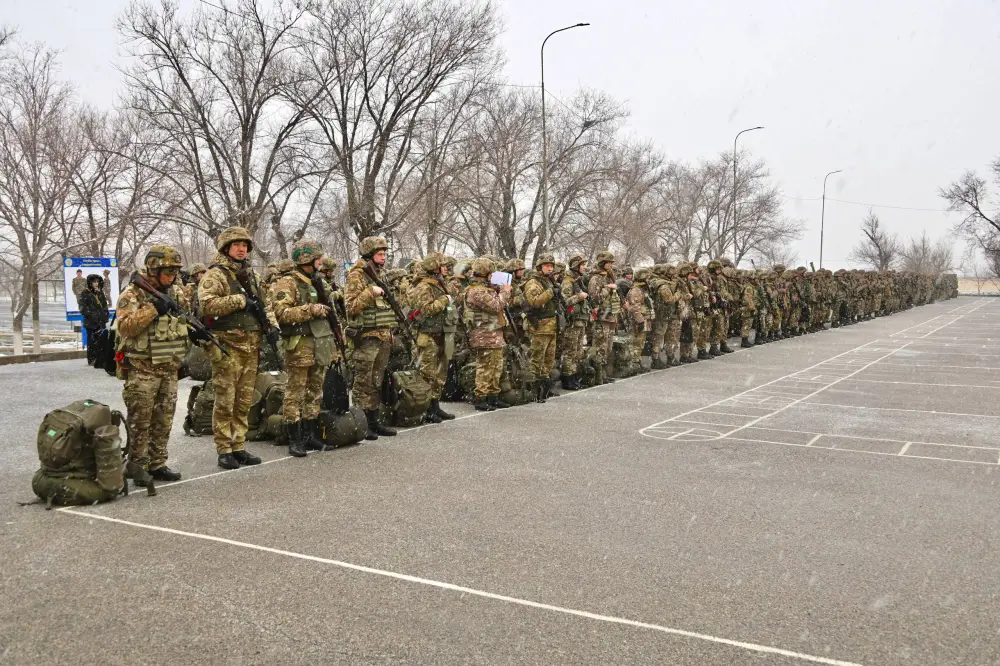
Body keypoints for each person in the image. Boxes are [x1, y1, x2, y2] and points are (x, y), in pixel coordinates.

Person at [115, 245, 189, 483]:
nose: (172, 277)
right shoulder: (133, 294)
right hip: (143, 368)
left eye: (174, 272)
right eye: (167, 272)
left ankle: (157, 463)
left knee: (164, 418)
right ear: (154, 270)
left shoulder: (175, 292)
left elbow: (182, 319)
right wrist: (153, 309)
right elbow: (125, 327)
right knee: (141, 420)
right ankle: (137, 466)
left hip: (168, 366)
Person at [198, 226, 270, 470]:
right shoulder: (215, 275)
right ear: (226, 248)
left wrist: (271, 325)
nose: (242, 249)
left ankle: (238, 444)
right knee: (226, 399)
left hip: (251, 346)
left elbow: (265, 303)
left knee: (244, 399)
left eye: (245, 245)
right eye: (237, 245)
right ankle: (224, 448)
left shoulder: (251, 276)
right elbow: (207, 306)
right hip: (227, 346)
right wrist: (239, 301)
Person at [271, 239, 340, 457]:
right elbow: (281, 314)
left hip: (321, 343)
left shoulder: (317, 281)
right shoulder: (288, 283)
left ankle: (311, 435)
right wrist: (310, 309)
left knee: (315, 391)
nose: (321, 261)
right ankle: (295, 438)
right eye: (317, 257)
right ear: (306, 259)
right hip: (300, 345)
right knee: (295, 392)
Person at [344, 236, 398, 440]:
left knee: (377, 380)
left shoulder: (379, 274)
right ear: (368, 255)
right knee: (363, 381)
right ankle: (361, 422)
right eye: (379, 254)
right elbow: (351, 307)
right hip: (366, 336)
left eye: (385, 253)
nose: (383, 257)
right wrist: (369, 292)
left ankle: (373, 420)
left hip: (382, 334)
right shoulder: (357, 276)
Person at [32, 401, 125, 506]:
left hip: (39, 482)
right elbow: (112, 485)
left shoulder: (71, 420)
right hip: (70, 488)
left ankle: (56, 486)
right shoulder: (101, 427)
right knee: (109, 492)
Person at [406, 252, 457, 423]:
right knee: (427, 374)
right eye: (442, 265)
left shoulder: (439, 284)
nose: (445, 268)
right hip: (428, 336)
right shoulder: (423, 286)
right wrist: (444, 300)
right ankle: (426, 408)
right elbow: (426, 309)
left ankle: (435, 406)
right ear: (434, 268)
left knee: (440, 374)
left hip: (442, 334)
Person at [463, 257, 511, 411]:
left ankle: (493, 396)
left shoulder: (488, 289)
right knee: (485, 367)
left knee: (496, 366)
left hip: (494, 333)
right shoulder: (476, 291)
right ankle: (481, 398)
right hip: (483, 334)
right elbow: (496, 305)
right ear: (486, 273)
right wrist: (505, 292)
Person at [522, 253, 560, 402]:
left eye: (551, 266)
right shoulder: (533, 282)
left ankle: (545, 389)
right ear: (539, 267)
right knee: (537, 359)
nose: (550, 268)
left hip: (551, 326)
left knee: (548, 360)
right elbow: (535, 302)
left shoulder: (548, 281)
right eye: (547, 266)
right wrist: (551, 292)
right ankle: (534, 391)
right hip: (540, 327)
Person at [586, 250, 621, 384]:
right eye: (608, 263)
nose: (610, 265)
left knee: (608, 346)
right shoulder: (596, 278)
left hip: (611, 315)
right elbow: (594, 297)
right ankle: (598, 376)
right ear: (602, 263)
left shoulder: (608, 276)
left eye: (611, 263)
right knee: (600, 346)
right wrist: (608, 289)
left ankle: (603, 373)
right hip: (602, 316)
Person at [559, 254, 590, 390]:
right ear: (576, 266)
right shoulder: (568, 281)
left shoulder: (578, 280)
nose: (585, 267)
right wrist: (579, 296)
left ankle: (574, 376)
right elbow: (565, 301)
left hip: (580, 320)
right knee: (570, 351)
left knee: (577, 351)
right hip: (572, 322)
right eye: (582, 265)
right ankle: (567, 378)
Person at [624, 267, 654, 374]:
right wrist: (640, 321)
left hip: (643, 319)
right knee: (636, 342)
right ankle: (634, 364)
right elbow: (635, 308)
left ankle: (637, 363)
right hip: (638, 320)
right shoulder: (636, 290)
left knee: (640, 343)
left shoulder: (641, 289)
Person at [79, 274, 109, 365]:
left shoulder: (100, 292)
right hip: (91, 323)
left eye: (97, 282)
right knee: (91, 342)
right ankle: (92, 359)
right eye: (94, 282)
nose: (96, 284)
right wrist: (93, 316)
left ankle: (100, 359)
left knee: (101, 341)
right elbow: (82, 308)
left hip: (100, 322)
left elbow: (104, 305)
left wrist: (105, 315)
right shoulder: (85, 293)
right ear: (90, 283)